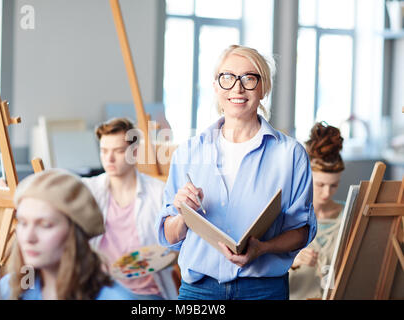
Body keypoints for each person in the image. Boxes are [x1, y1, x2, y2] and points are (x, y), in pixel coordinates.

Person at [155, 44, 317, 300]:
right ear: (216, 86)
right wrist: (184, 215)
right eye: (227, 78)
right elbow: (167, 235)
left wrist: (263, 248)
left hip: (263, 291)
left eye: (249, 78)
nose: (237, 88)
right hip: (199, 291)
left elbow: (302, 231)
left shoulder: (291, 155)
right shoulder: (188, 152)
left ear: (264, 88)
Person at [0, 169, 133, 300]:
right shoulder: (8, 289)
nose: (28, 238)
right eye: (23, 223)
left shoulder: (115, 297)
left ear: (75, 232)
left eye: (45, 225)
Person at [82, 117, 178, 300]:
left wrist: (162, 258)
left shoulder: (158, 192)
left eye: (118, 151)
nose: (108, 158)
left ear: (134, 153)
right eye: (103, 151)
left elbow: (175, 246)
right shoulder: (89, 189)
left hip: (146, 293)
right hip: (100, 289)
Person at [289, 122, 345, 300]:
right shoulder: (288, 216)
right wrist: (293, 262)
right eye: (320, 185)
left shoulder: (349, 216)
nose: (327, 193)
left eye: (333, 185)